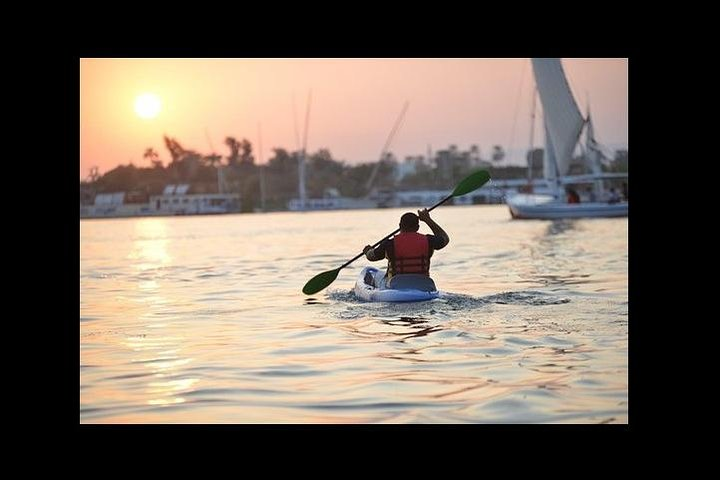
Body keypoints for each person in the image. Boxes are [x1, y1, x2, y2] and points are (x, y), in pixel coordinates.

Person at [363, 209, 449, 287]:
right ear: (417, 227)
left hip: (396, 285)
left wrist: (368, 251)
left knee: (374, 278)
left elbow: (372, 257)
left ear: (400, 225)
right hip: (423, 284)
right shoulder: (429, 240)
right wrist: (427, 219)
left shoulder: (389, 243)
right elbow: (444, 238)